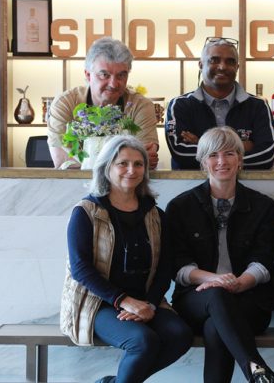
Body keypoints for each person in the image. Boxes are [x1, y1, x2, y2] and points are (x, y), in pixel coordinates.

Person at [59, 135, 192, 383]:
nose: (131, 170)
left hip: (145, 302)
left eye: (138, 164)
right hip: (99, 304)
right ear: (106, 167)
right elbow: (80, 269)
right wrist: (124, 301)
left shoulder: (155, 215)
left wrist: (149, 305)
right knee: (142, 341)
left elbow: (165, 268)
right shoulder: (86, 212)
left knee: (180, 334)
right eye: (122, 163)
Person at [166, 127, 274, 383]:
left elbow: (264, 260)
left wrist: (241, 282)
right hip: (195, 300)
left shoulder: (263, 207)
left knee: (215, 328)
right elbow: (178, 265)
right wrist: (215, 281)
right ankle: (256, 368)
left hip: (249, 300)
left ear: (240, 159)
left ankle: (256, 371)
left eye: (229, 153)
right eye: (213, 155)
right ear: (203, 161)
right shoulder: (181, 207)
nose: (221, 161)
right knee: (215, 294)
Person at [165, 37, 274, 170]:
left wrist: (201, 143)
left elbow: (266, 156)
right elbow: (181, 153)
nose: (222, 66)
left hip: (247, 188)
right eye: (214, 60)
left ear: (237, 67)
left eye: (230, 62)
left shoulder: (258, 106)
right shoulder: (179, 105)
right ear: (201, 65)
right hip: (190, 187)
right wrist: (244, 146)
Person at [47, 37, 160, 169]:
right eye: (104, 75)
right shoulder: (65, 103)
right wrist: (124, 161)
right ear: (88, 75)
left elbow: (145, 161)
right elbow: (62, 161)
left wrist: (93, 162)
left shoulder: (140, 106)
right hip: (75, 187)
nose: (113, 84)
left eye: (121, 75)